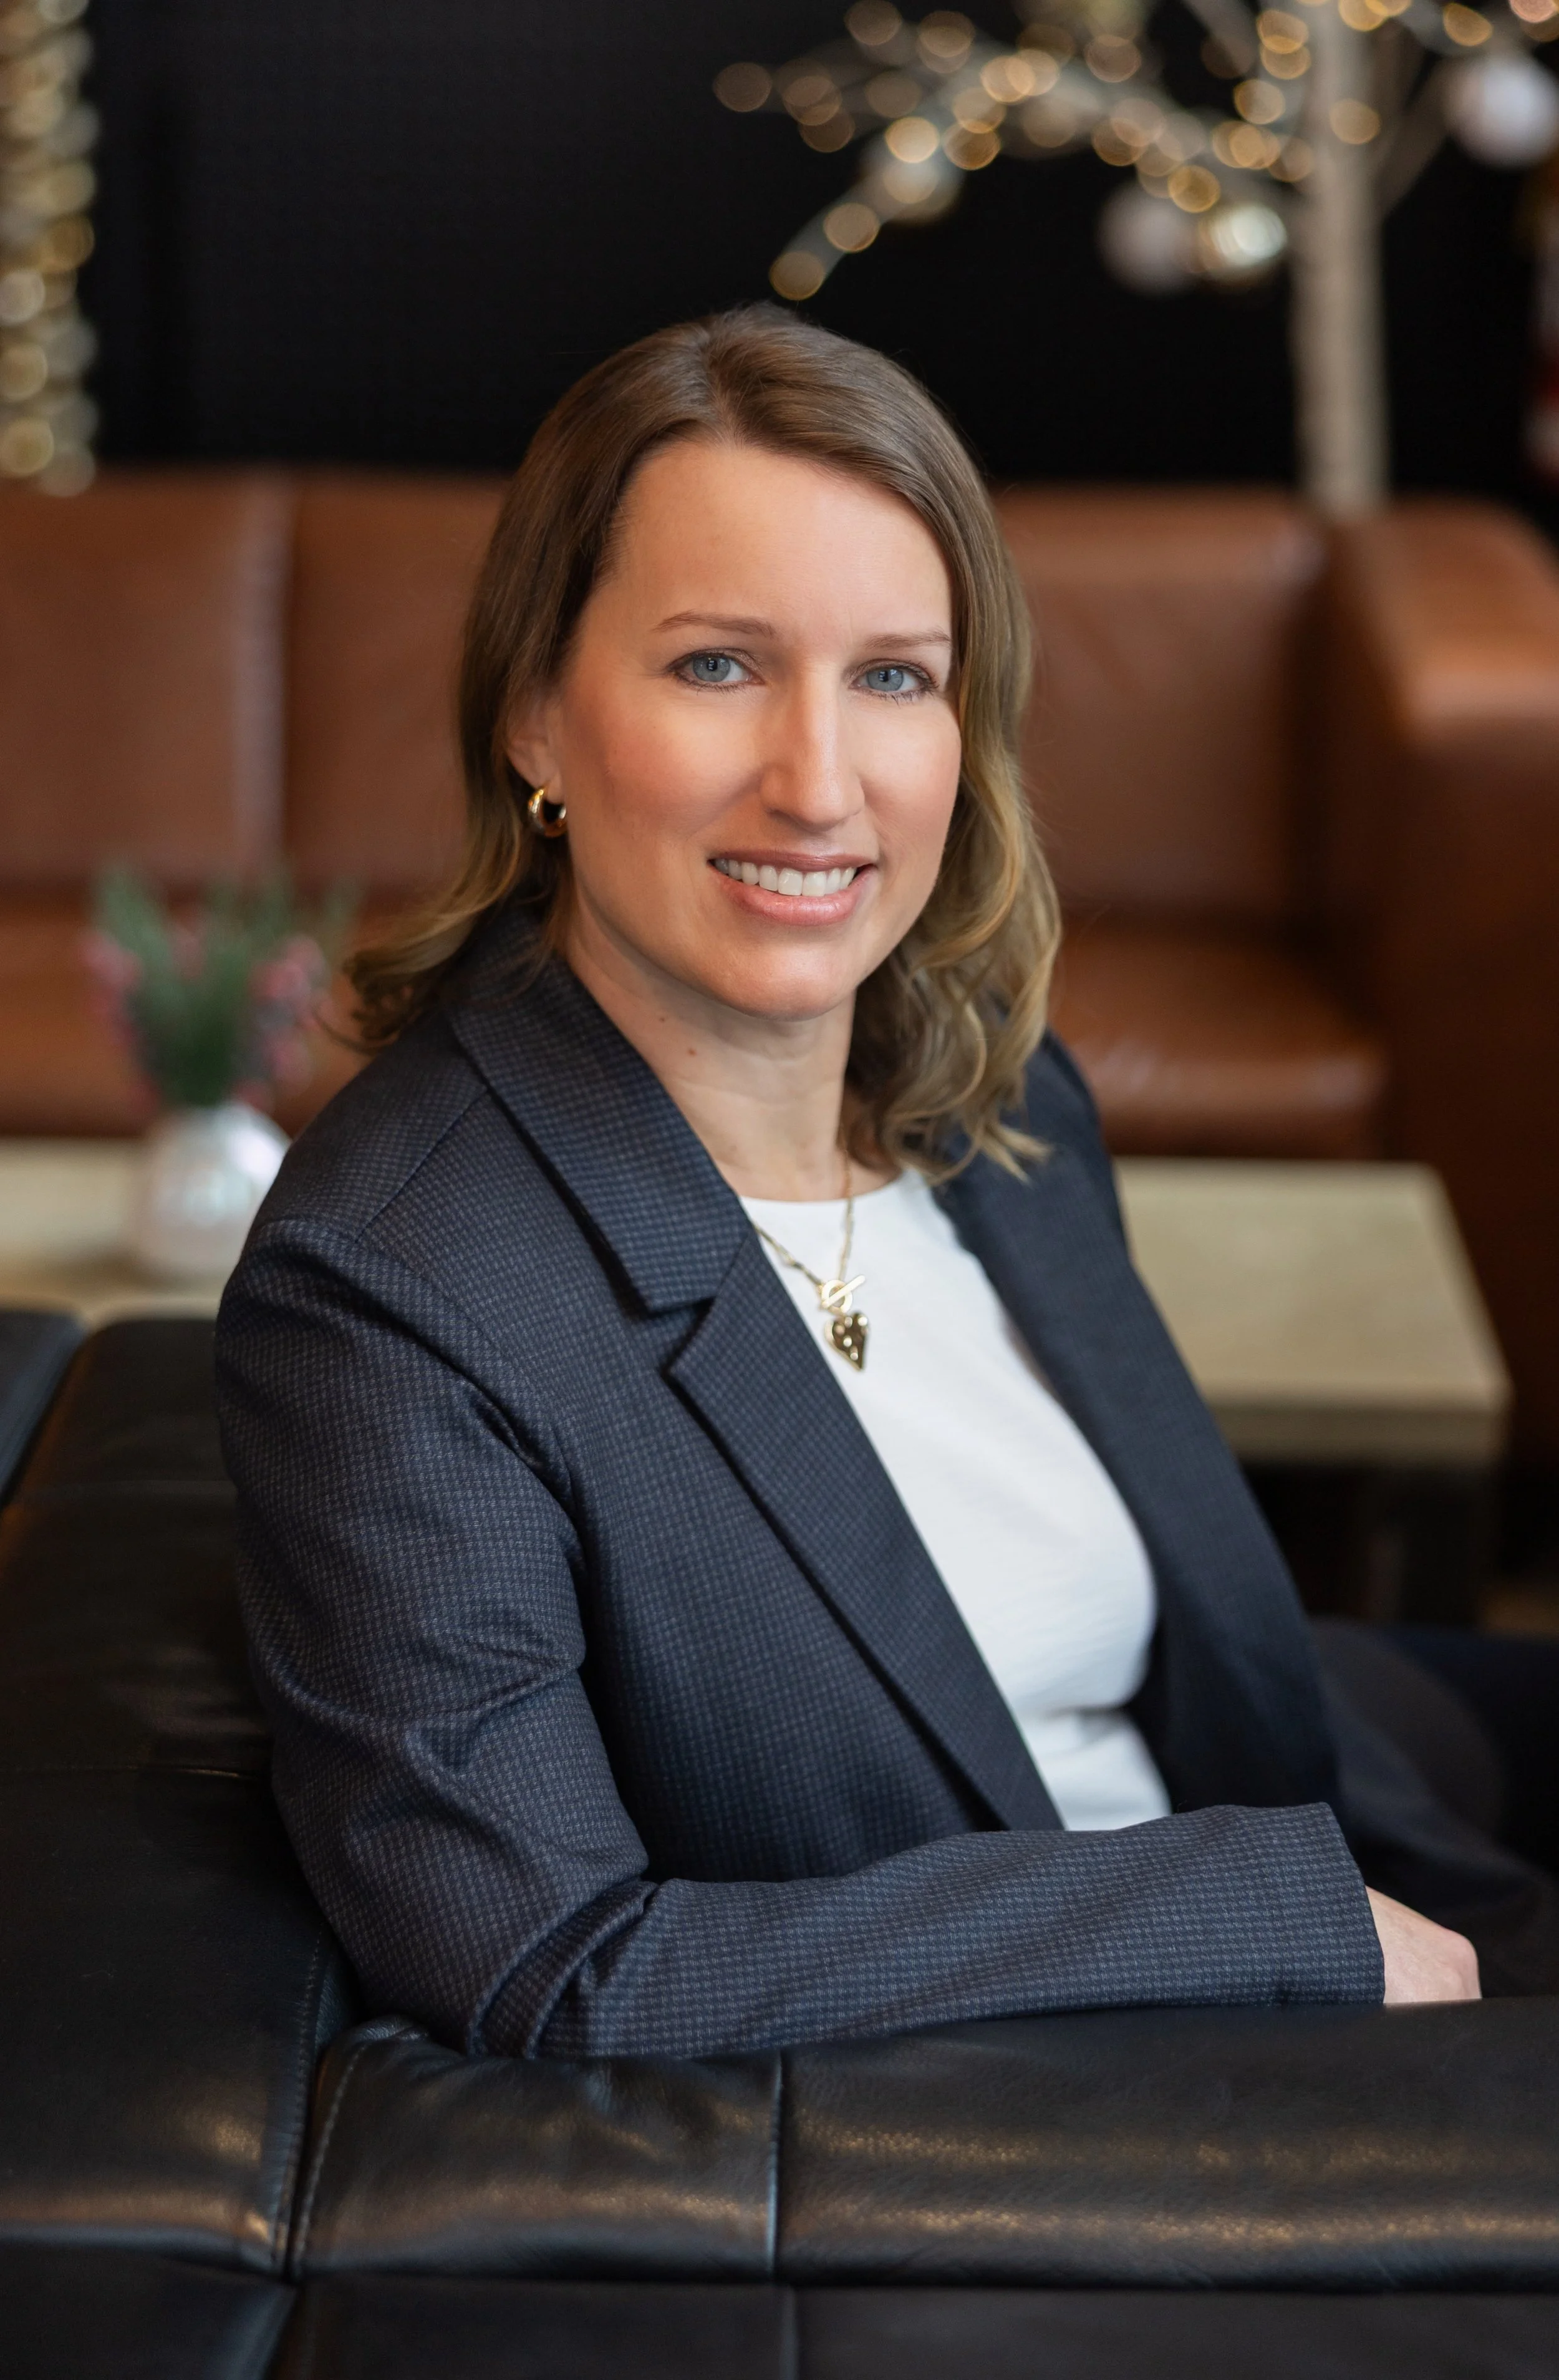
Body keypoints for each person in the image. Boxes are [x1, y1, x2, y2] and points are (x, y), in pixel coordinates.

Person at [217, 306, 1551, 2064]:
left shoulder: (997, 1099)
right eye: (716, 666)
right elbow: (545, 1971)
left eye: (891, 675)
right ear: (536, 711)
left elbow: (1201, 1683)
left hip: (1349, 1946)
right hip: (1068, 2117)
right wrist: (1263, 1922)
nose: (817, 783)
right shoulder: (394, 1291)